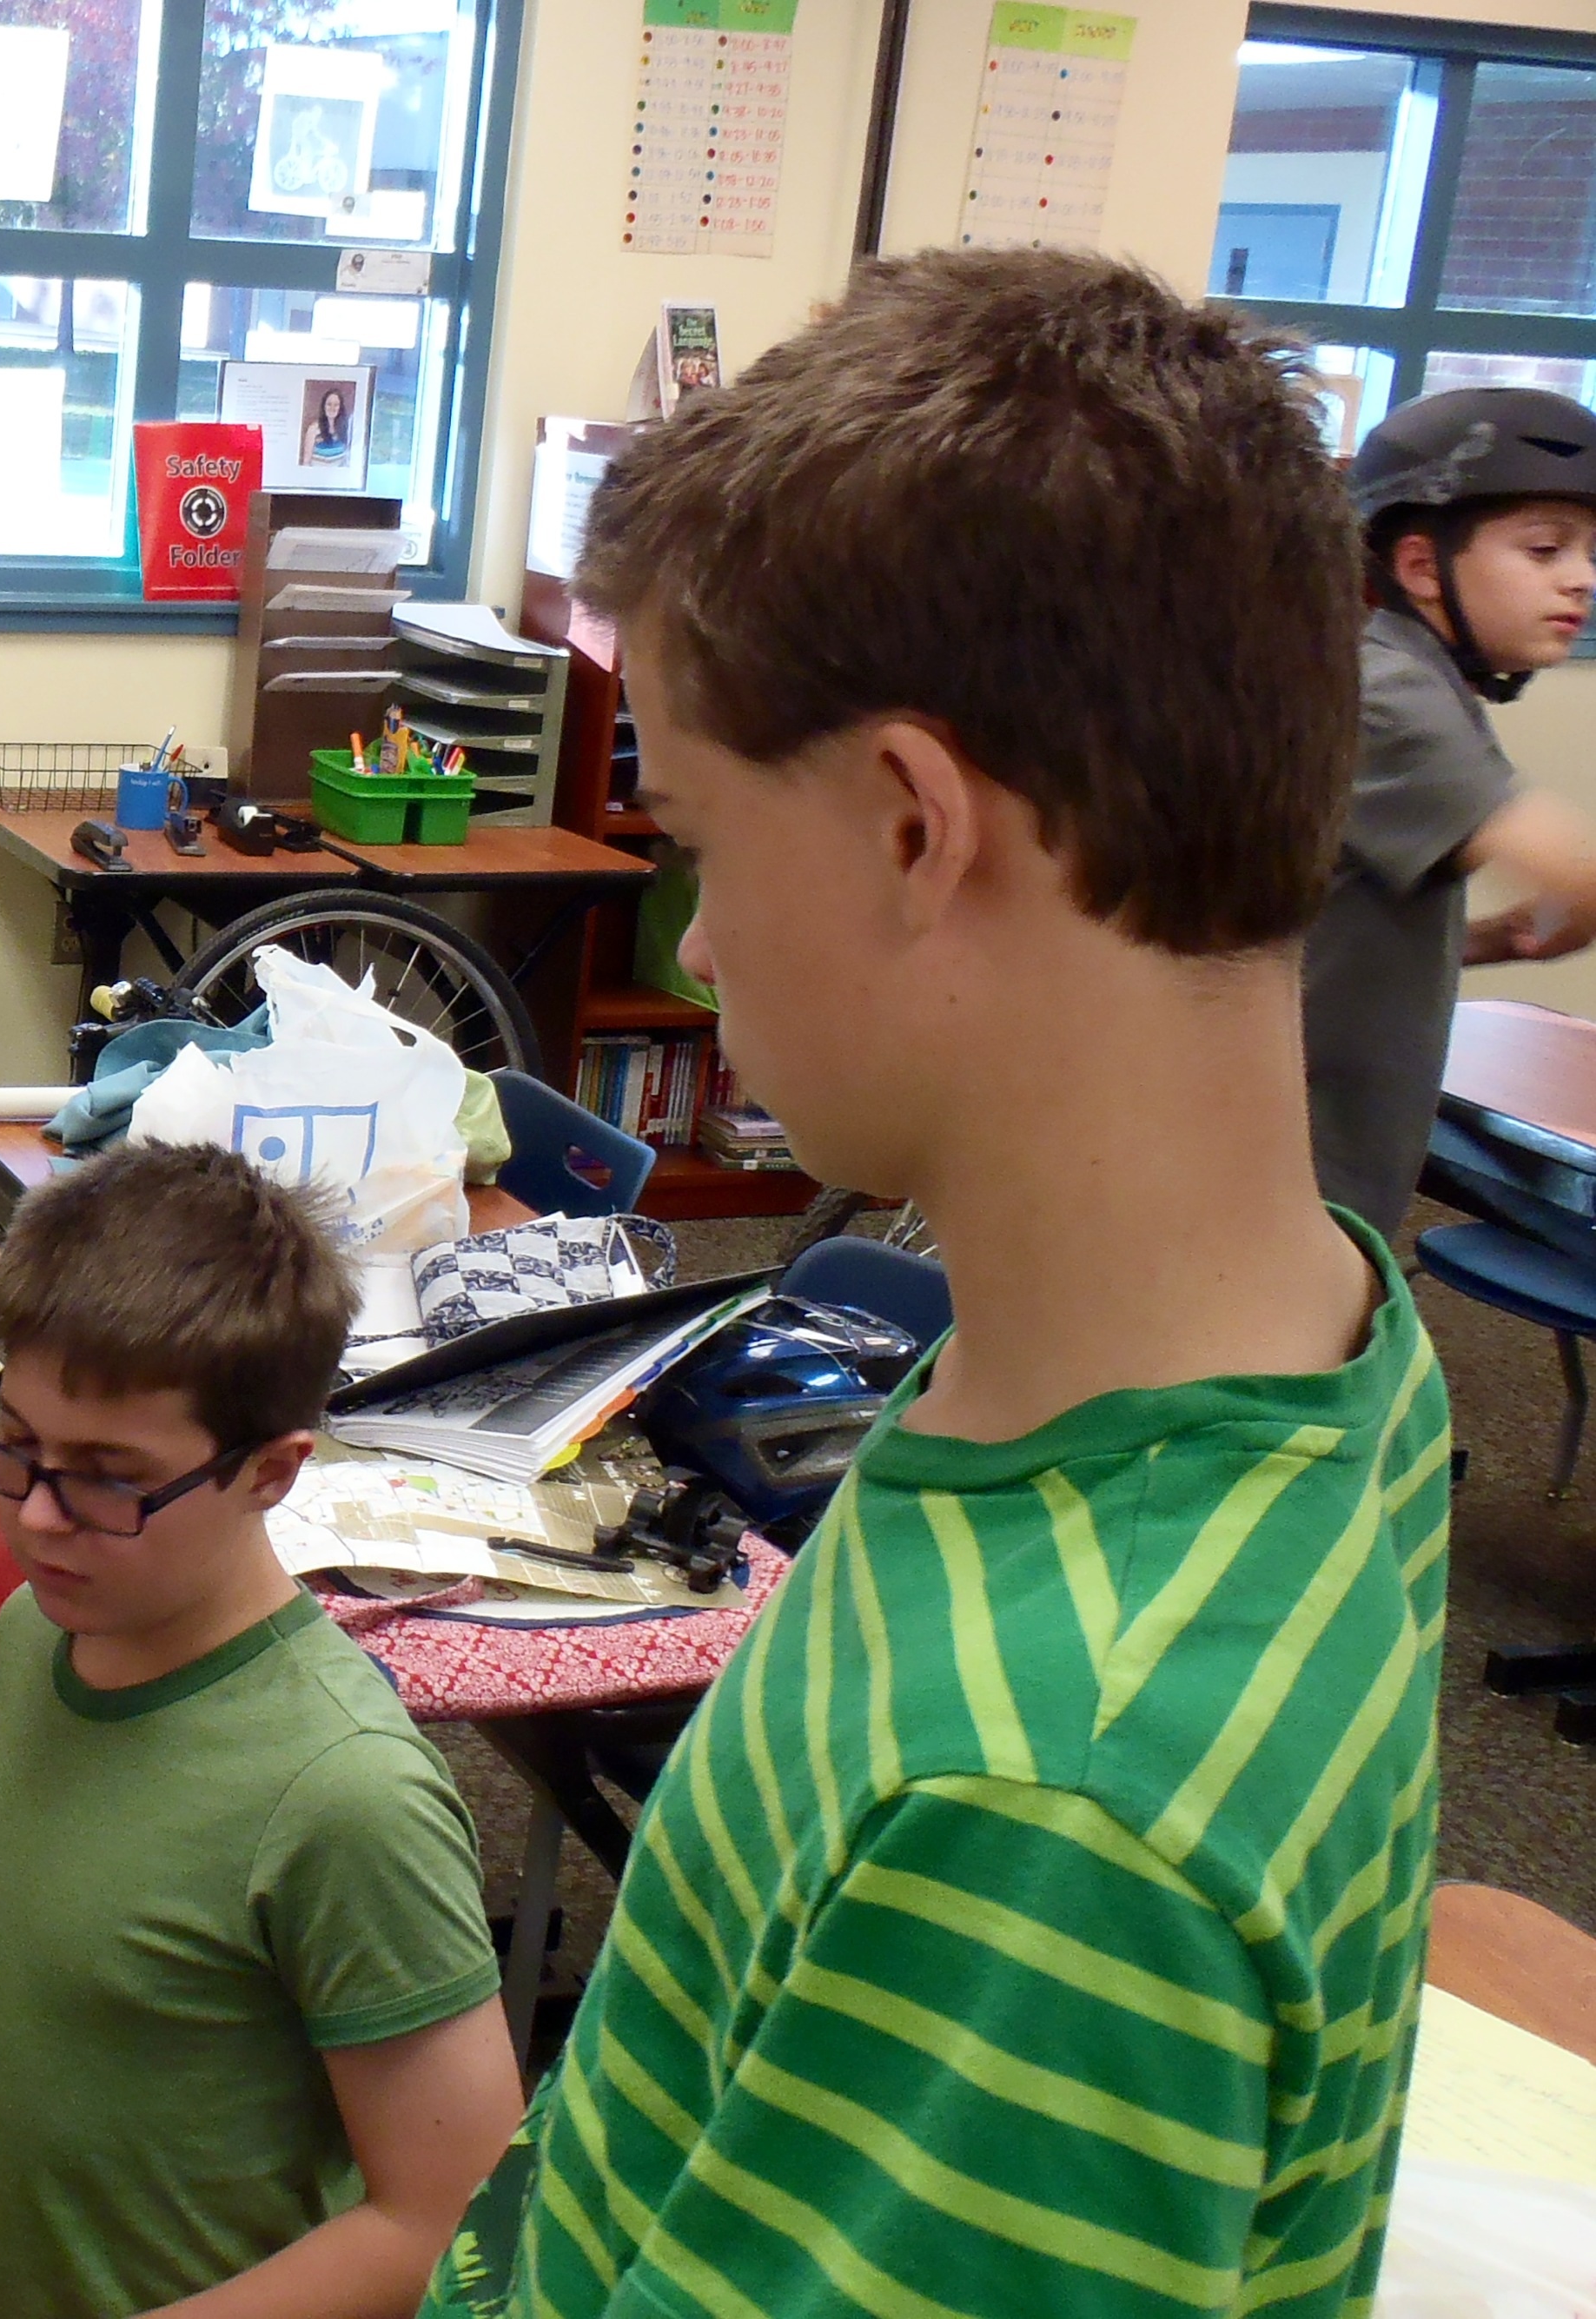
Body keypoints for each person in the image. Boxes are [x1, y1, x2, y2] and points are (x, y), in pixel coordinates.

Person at [424, 248, 1450, 2319]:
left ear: (911, 827)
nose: (694, 944)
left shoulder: (1047, 1812)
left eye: (699, 838)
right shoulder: (1294, 1340)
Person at [0, 1143, 520, 2319]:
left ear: (271, 1471)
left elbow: (449, 2221)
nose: (35, 1516)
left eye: (109, 1477)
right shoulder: (37, 1630)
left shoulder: (346, 1797)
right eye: (16, 1443)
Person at [1310, 386, 1596, 1235]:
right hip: (1292, 1164)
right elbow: (1576, 870)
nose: (1581, 577)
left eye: (1589, 552)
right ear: (1421, 567)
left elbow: (1332, 930)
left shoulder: (1417, 682)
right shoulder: (1391, 693)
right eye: (1544, 548)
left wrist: (1490, 939)